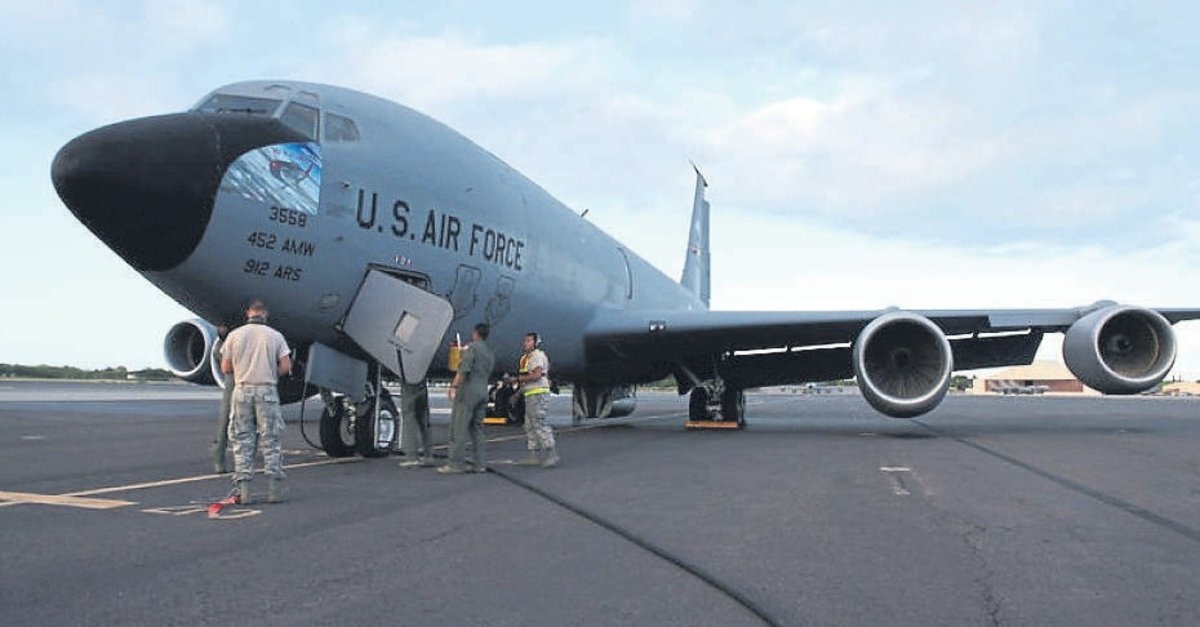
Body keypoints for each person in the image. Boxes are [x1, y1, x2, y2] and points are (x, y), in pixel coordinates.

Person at [220, 299, 292, 504]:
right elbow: (286, 366)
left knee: (242, 440)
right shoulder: (275, 336)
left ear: (248, 314)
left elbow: (225, 368)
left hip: (242, 390)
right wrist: (271, 374)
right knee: (271, 439)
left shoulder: (234, 336)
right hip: (267, 390)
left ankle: (244, 490)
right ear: (265, 314)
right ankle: (274, 490)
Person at [439, 323, 495, 474]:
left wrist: (454, 387)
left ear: (475, 333)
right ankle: (480, 464)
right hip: (483, 390)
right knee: (477, 429)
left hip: (468, 391)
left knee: (459, 428)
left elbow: (463, 370)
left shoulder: (471, 349)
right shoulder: (489, 352)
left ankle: (455, 464)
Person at [508, 332, 558, 467]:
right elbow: (526, 380)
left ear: (536, 343)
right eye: (525, 341)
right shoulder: (526, 358)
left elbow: (536, 376)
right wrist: (517, 395)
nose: (526, 343)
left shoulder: (537, 356)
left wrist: (516, 379)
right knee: (529, 425)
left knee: (539, 423)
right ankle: (533, 455)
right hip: (530, 394)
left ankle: (551, 453)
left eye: (529, 341)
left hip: (538, 394)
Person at [211, 324, 235, 474]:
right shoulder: (223, 346)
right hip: (241, 384)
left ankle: (219, 461)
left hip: (235, 385)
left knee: (224, 424)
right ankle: (219, 459)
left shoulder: (224, 345)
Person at [397, 379, 434, 468]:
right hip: (422, 382)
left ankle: (412, 456)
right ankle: (428, 455)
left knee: (409, 418)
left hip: (408, 382)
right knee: (424, 419)